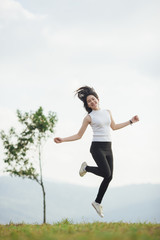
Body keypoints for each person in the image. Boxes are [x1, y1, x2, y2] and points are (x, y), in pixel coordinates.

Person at [54, 86, 139, 218]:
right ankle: (86, 168)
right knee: (106, 172)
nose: (92, 102)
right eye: (89, 101)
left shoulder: (107, 112)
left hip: (108, 147)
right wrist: (63, 140)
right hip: (97, 148)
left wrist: (130, 121)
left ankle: (97, 202)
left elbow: (114, 127)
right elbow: (78, 135)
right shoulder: (89, 117)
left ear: (98, 99)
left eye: (93, 99)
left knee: (109, 176)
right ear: (87, 105)